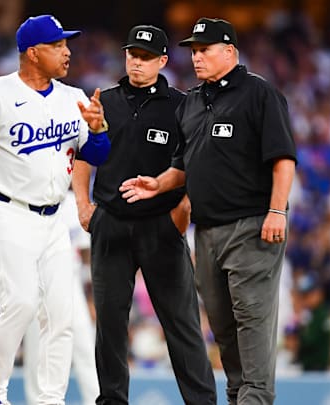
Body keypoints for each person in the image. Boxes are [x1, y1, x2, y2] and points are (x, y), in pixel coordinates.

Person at [0, 14, 111, 405]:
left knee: (61, 316)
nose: (67, 52)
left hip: (54, 220)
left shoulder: (74, 97)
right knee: (22, 304)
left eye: (67, 44)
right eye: (57, 45)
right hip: (9, 212)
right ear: (33, 53)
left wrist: (97, 130)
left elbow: (95, 154)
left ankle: (50, 399)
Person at [119, 17, 296, 404]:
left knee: (252, 322)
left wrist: (276, 211)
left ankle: (255, 398)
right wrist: (158, 183)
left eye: (204, 50)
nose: (196, 57)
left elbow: (283, 159)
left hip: (252, 226)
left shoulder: (259, 94)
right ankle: (239, 397)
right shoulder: (194, 101)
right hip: (209, 231)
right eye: (193, 51)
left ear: (229, 51)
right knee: (224, 326)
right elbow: (183, 165)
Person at [73, 24, 216, 404]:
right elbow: (83, 157)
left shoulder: (182, 105)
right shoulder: (106, 101)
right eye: (133, 54)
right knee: (110, 325)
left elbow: (194, 165)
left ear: (163, 61)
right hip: (111, 223)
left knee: (182, 324)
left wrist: (181, 213)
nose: (137, 62)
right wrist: (84, 206)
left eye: (147, 57)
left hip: (160, 224)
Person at [24, 188, 99, 405]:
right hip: (36, 281)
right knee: (37, 351)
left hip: (70, 281)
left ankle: (95, 400)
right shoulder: (28, 196)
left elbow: (87, 257)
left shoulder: (74, 202)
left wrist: (92, 299)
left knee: (85, 345)